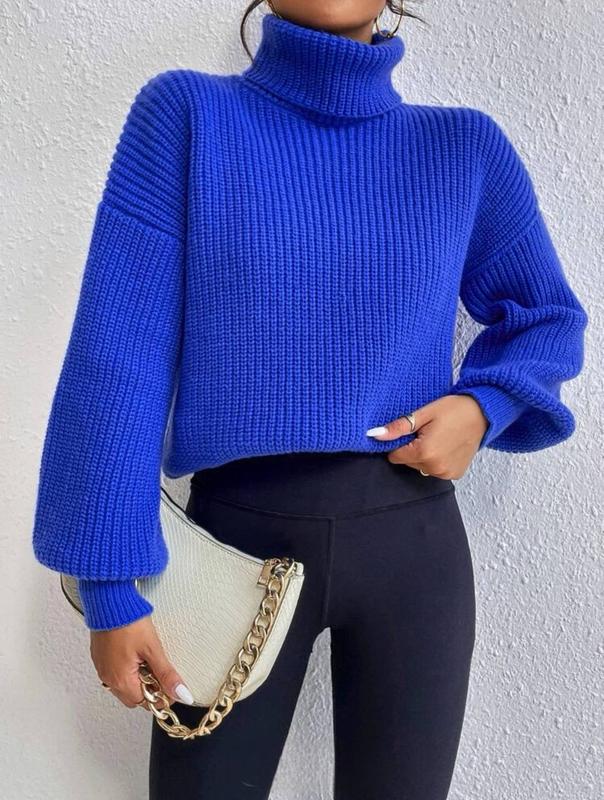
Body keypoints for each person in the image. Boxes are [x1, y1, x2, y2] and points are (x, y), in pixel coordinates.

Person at [31, 2, 588, 798]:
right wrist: (109, 583)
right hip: (227, 552)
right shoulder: (188, 117)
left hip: (414, 547)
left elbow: (547, 317)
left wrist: (484, 406)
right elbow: (118, 357)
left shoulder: (464, 148)